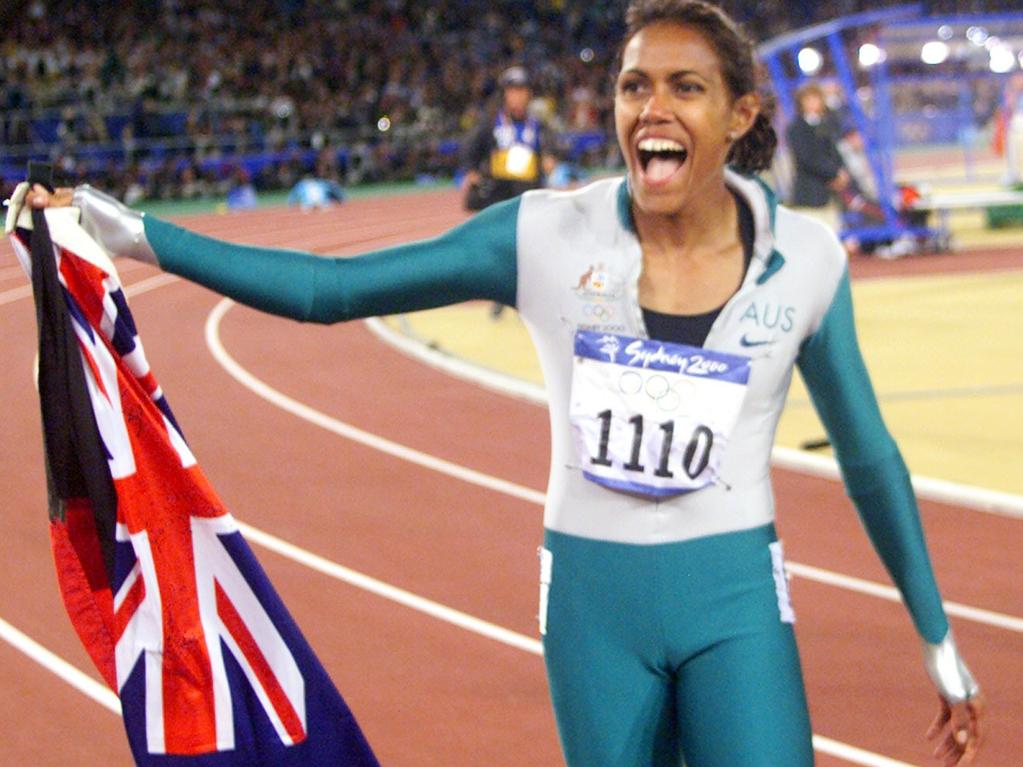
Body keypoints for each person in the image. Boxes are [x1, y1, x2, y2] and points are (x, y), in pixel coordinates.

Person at [25, 1, 984, 764]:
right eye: (630, 85)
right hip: (593, 607)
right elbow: (332, 289)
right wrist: (135, 233)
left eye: (684, 86)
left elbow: (866, 454)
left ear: (738, 115)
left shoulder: (805, 258)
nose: (650, 106)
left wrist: (936, 635)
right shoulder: (541, 234)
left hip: (735, 594)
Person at [460, 65, 557, 212]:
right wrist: (470, 170)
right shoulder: (491, 122)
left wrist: (549, 158)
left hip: (527, 189)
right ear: (504, 94)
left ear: (529, 94)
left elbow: (550, 148)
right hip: (498, 191)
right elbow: (470, 146)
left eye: (521, 91)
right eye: (512, 91)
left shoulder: (537, 125)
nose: (517, 96)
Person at [785, 81, 849, 233]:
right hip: (809, 195)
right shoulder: (796, 128)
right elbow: (807, 158)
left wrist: (841, 173)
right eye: (808, 99)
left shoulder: (828, 125)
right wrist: (833, 173)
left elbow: (835, 152)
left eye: (816, 99)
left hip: (829, 196)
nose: (813, 103)